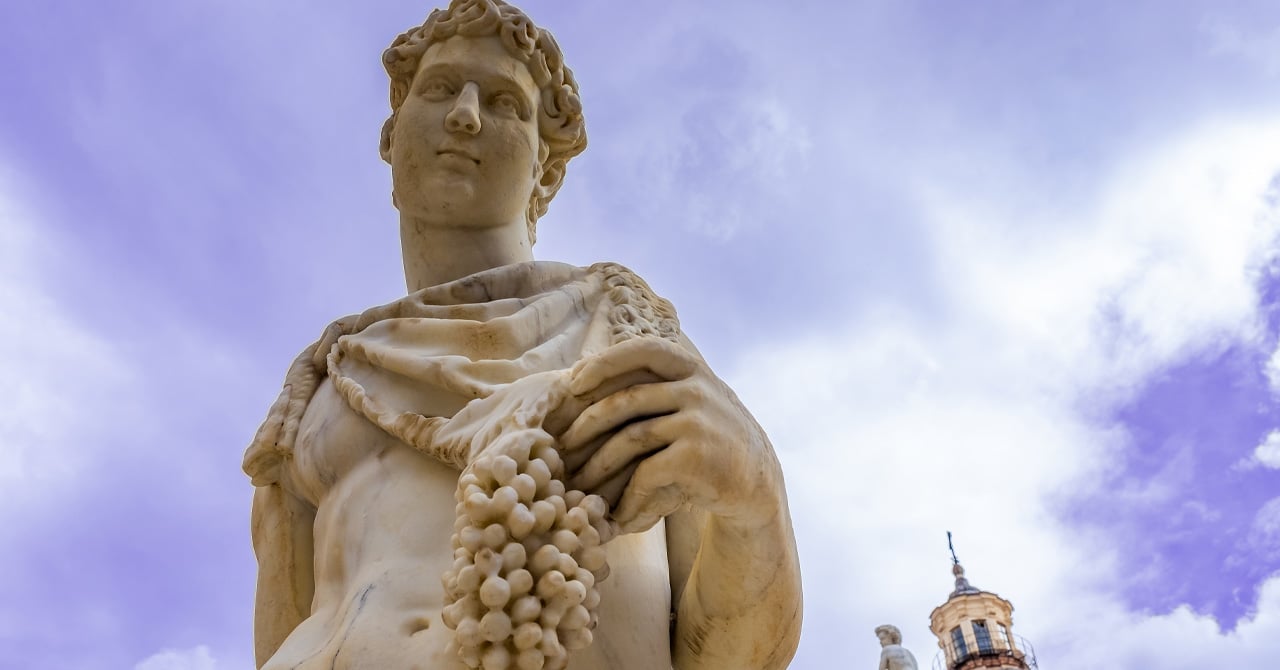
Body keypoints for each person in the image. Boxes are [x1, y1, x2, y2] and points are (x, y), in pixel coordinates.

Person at [243, 1, 802, 668]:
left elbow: (733, 657)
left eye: (504, 102)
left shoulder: (617, 327)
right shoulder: (322, 379)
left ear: (546, 170)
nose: (465, 116)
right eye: (442, 89)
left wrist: (757, 496)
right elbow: (278, 634)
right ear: (391, 139)